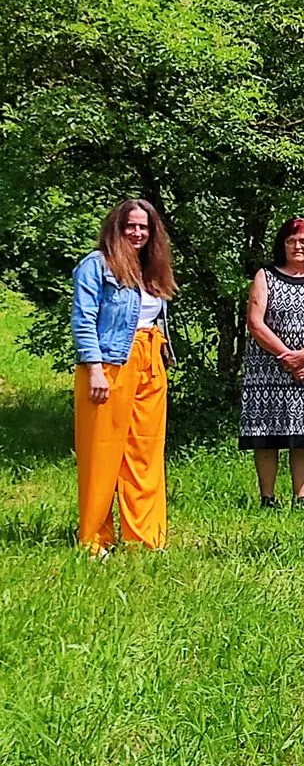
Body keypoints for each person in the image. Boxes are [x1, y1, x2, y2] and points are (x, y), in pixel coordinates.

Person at [71, 199, 176, 554]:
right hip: (110, 365)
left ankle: (144, 537)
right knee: (101, 453)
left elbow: (152, 319)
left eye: (144, 227)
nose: (137, 232)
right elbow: (84, 321)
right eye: (130, 226)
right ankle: (95, 539)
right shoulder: (95, 266)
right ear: (117, 227)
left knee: (145, 451)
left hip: (150, 362)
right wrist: (95, 369)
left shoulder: (152, 268)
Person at [241, 216, 304, 509]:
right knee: (266, 435)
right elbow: (255, 322)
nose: (298, 247)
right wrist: (289, 356)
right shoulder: (265, 275)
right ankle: (267, 498)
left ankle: (301, 500)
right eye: (292, 241)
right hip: (266, 368)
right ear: (282, 244)